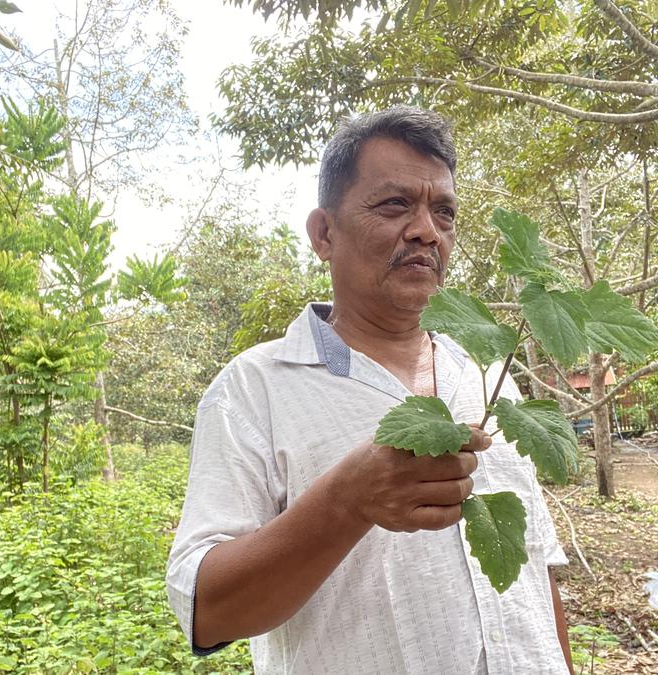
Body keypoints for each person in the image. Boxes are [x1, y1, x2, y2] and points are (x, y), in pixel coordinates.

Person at [167, 106, 574, 674]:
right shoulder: (253, 389)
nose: (427, 231)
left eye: (444, 212)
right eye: (394, 204)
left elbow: (535, 572)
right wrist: (345, 502)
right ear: (324, 233)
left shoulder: (484, 376)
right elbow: (207, 611)